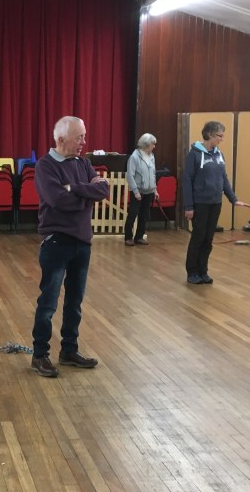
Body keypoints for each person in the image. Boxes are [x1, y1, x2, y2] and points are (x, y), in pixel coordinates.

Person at [30, 116, 110, 377]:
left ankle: (69, 350)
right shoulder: (45, 166)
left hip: (82, 242)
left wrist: (73, 188)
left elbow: (103, 190)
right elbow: (57, 200)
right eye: (80, 137)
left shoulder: (83, 163)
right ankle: (39, 355)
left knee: (75, 301)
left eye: (84, 136)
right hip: (56, 242)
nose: (84, 142)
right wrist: (86, 197)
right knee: (48, 302)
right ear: (62, 139)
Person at [183, 120, 250, 284]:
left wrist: (233, 199)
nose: (222, 139)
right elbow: (187, 181)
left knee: (208, 239)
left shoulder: (219, 155)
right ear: (210, 135)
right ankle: (192, 272)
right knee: (198, 238)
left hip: (215, 203)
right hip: (200, 203)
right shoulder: (194, 155)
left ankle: (203, 271)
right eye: (220, 136)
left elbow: (223, 178)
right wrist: (189, 206)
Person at [124, 133, 157, 246]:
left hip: (149, 191)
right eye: (153, 144)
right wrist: (135, 191)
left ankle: (139, 236)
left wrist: (155, 189)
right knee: (133, 213)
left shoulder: (152, 156)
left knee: (144, 215)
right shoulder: (134, 157)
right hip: (137, 191)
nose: (154, 146)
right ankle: (128, 237)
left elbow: (153, 174)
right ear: (146, 144)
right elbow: (130, 176)